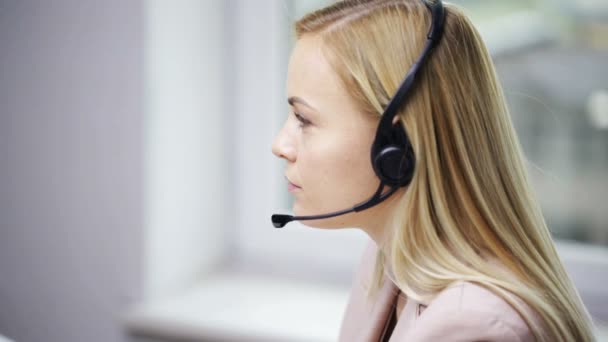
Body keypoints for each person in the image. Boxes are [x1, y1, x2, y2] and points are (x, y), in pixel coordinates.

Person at [271, 0, 596, 341]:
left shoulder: (475, 327)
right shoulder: (389, 259)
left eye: (304, 120)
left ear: (396, 144)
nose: (280, 145)